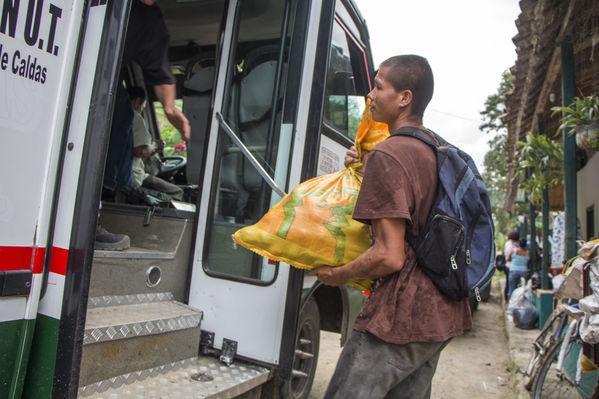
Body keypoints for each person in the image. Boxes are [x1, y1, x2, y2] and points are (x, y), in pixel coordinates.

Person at [311, 55, 472, 399]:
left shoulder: (390, 154)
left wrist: (335, 275)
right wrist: (369, 162)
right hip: (443, 311)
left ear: (404, 98)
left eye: (379, 85)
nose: (370, 94)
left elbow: (389, 256)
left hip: (403, 314)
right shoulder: (433, 147)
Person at [97, 0, 190, 249]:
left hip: (100, 77)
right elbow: (139, 151)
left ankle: (90, 219)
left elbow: (161, 73)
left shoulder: (149, 21)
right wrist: (155, 149)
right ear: (138, 100)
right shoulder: (129, 113)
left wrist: (170, 108)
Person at [129, 87, 184, 201]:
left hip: (127, 176)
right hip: (135, 178)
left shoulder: (115, 117)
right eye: (142, 107)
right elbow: (140, 151)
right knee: (178, 192)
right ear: (137, 101)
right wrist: (155, 146)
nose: (141, 110)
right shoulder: (134, 117)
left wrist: (152, 150)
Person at [503, 230, 519, 301]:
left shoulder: (508, 244)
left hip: (508, 266)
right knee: (511, 285)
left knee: (509, 283)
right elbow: (509, 257)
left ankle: (507, 299)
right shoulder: (514, 246)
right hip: (511, 266)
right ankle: (508, 300)